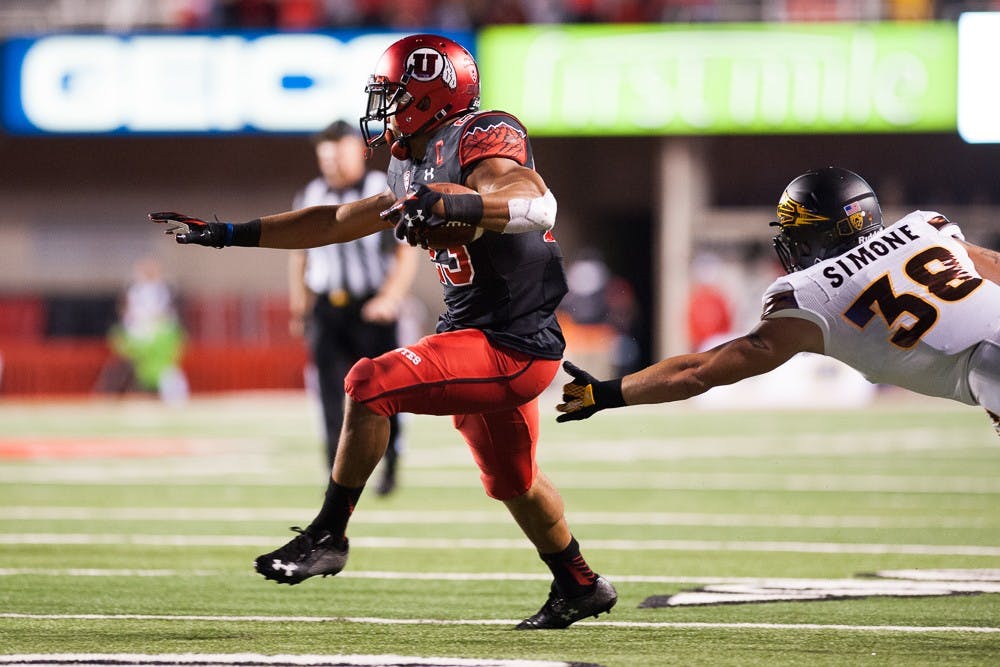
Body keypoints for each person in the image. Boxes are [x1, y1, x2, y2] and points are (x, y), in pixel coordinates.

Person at [150, 33, 617, 630]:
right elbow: (340, 219)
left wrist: (461, 207)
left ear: (431, 95)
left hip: (512, 343)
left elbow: (530, 200)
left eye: (393, 95)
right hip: (475, 332)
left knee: (370, 381)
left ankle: (328, 534)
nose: (385, 108)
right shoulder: (409, 161)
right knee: (514, 482)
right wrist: (231, 232)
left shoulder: (482, 134)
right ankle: (580, 584)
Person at [554, 167, 1000, 437]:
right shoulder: (925, 228)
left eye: (799, 232)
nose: (794, 244)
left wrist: (607, 393)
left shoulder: (813, 294)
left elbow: (700, 371)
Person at [288, 120, 419, 494]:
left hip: (372, 306)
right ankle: (336, 474)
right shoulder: (311, 193)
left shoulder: (382, 189)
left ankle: (390, 463)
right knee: (329, 394)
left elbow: (405, 249)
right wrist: (301, 307)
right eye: (325, 156)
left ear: (357, 151)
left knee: (386, 392)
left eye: (339, 153)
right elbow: (299, 255)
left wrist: (390, 297)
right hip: (328, 308)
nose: (332, 163)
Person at [96, 256, 189, 404]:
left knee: (165, 370)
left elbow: (167, 315)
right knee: (126, 368)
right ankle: (113, 395)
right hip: (139, 333)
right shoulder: (134, 290)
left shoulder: (163, 290)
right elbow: (127, 313)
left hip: (158, 335)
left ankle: (171, 396)